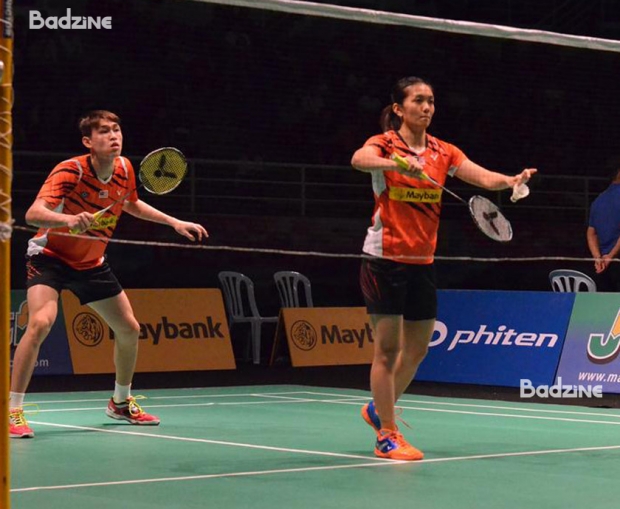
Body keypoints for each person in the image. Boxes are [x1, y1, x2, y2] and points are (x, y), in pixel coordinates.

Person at [351, 77, 536, 460]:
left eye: (431, 101)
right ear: (399, 108)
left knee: (418, 349)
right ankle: (386, 435)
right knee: (387, 349)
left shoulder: (443, 151)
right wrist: (396, 162)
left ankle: (378, 408)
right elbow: (359, 159)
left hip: (422, 262)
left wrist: (510, 180)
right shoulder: (385, 143)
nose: (427, 107)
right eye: (418, 100)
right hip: (384, 260)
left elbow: (480, 175)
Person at [9, 110, 209, 438]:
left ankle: (120, 402)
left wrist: (174, 222)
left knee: (129, 329)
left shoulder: (125, 168)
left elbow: (131, 204)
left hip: (91, 262)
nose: (113, 136)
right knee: (41, 323)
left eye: (116, 129)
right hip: (50, 258)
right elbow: (33, 214)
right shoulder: (70, 171)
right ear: (88, 141)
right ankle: (13, 410)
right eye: (104, 131)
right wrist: (68, 220)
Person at [587, 167, 620, 291]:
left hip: (604, 266)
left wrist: (598, 258)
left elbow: (591, 233)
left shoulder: (598, 200)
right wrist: (611, 256)